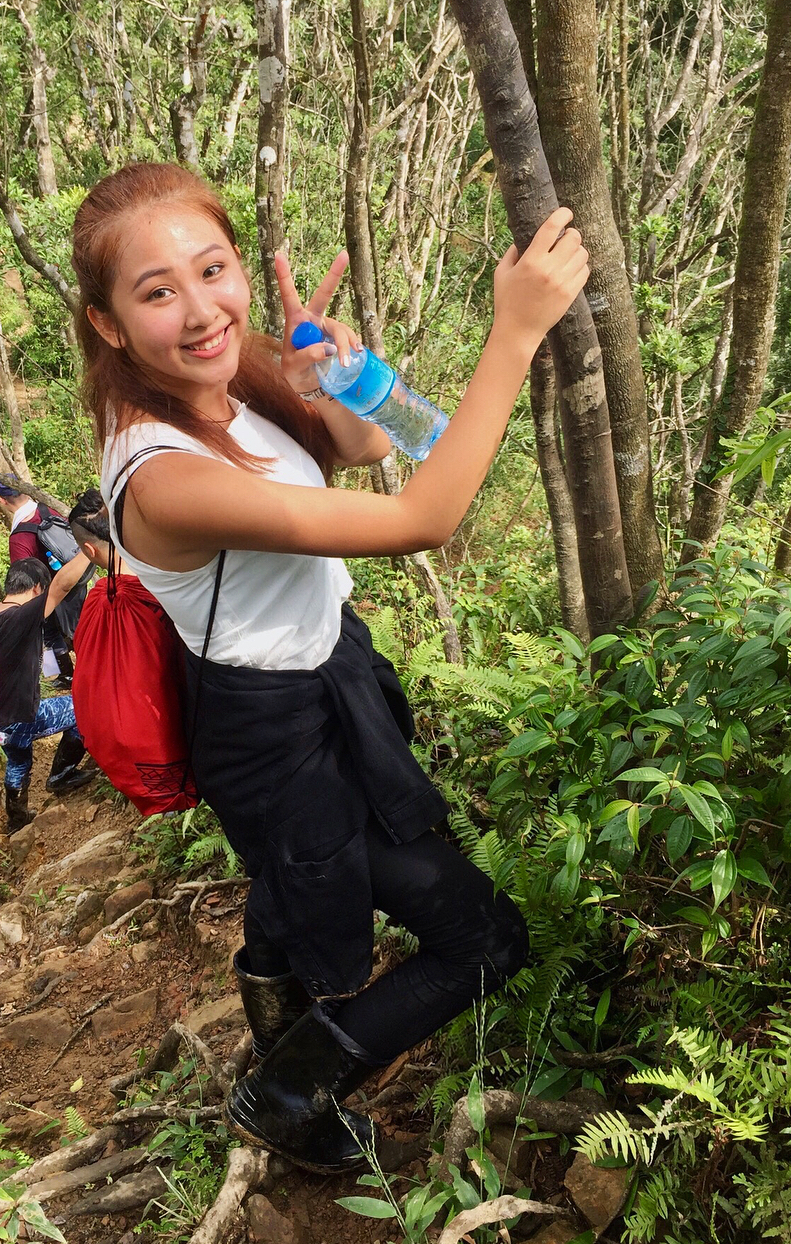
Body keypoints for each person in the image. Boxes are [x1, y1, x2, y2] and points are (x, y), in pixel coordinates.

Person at [71, 163, 589, 1173]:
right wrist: (516, 332)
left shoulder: (229, 377)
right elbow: (418, 518)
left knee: (309, 884)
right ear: (109, 326)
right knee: (485, 943)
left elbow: (356, 451)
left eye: (211, 268)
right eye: (156, 291)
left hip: (329, 673)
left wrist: (332, 377)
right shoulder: (166, 474)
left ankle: (274, 996)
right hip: (267, 729)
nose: (200, 307)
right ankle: (285, 1092)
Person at [0, 552, 95, 831]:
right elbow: (61, 585)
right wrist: (91, 548)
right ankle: (62, 775)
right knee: (83, 706)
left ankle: (16, 819)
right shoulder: (22, 616)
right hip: (18, 717)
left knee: (17, 758)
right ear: (37, 587)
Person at [0, 477, 85, 683]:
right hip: (76, 579)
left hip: (49, 590)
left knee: (49, 633)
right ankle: (90, 671)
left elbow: (23, 577)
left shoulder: (19, 537)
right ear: (26, 491)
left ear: (2, 500)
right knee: (80, 627)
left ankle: (64, 675)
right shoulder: (48, 511)